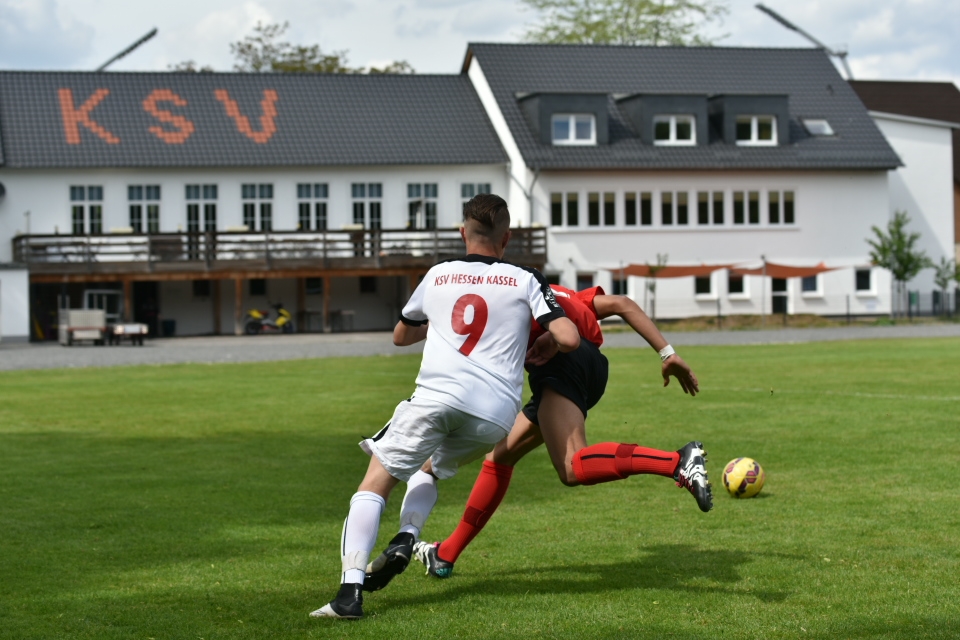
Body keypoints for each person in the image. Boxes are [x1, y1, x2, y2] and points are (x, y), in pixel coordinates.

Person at [310, 194, 580, 619]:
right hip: (494, 416)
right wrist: (547, 339)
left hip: (436, 398)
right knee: (429, 467)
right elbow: (569, 338)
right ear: (506, 238)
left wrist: (437, 325)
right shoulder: (526, 278)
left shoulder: (438, 274)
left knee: (374, 484)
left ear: (462, 232)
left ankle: (348, 595)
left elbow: (400, 335)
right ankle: (407, 535)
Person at [364, 284, 709, 586]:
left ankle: (677, 462)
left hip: (563, 364)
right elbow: (622, 304)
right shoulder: (558, 292)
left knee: (572, 467)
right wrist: (667, 353)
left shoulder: (510, 293)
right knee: (501, 455)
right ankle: (445, 554)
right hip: (589, 364)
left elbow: (465, 325)